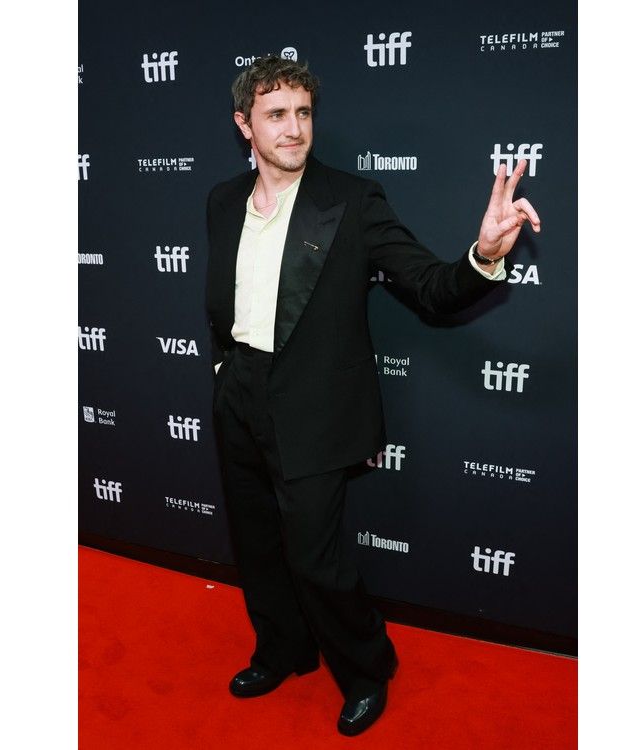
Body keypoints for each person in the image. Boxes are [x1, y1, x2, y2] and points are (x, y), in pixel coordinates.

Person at [204, 54, 540, 737]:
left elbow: (429, 288)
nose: (294, 129)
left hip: (315, 405)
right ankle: (282, 650)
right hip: (240, 389)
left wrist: (482, 253)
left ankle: (365, 671)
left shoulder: (351, 202)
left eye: (303, 113)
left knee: (315, 557)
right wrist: (225, 368)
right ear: (245, 125)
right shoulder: (220, 201)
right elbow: (228, 298)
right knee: (257, 543)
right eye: (276, 115)